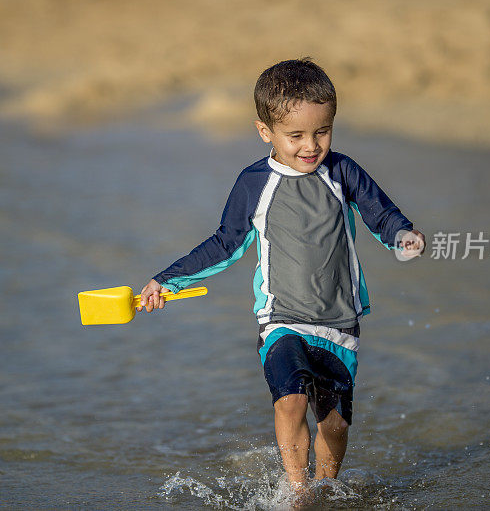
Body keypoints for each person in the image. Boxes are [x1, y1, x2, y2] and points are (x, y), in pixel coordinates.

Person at [138, 58, 425, 496]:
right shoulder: (255, 183)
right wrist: (167, 279)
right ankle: (297, 494)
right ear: (265, 131)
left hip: (339, 324)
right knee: (290, 399)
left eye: (322, 132)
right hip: (281, 319)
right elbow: (225, 243)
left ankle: (327, 489)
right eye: (296, 136)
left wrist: (402, 236)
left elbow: (380, 214)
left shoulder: (342, 172)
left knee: (336, 423)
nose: (311, 146)